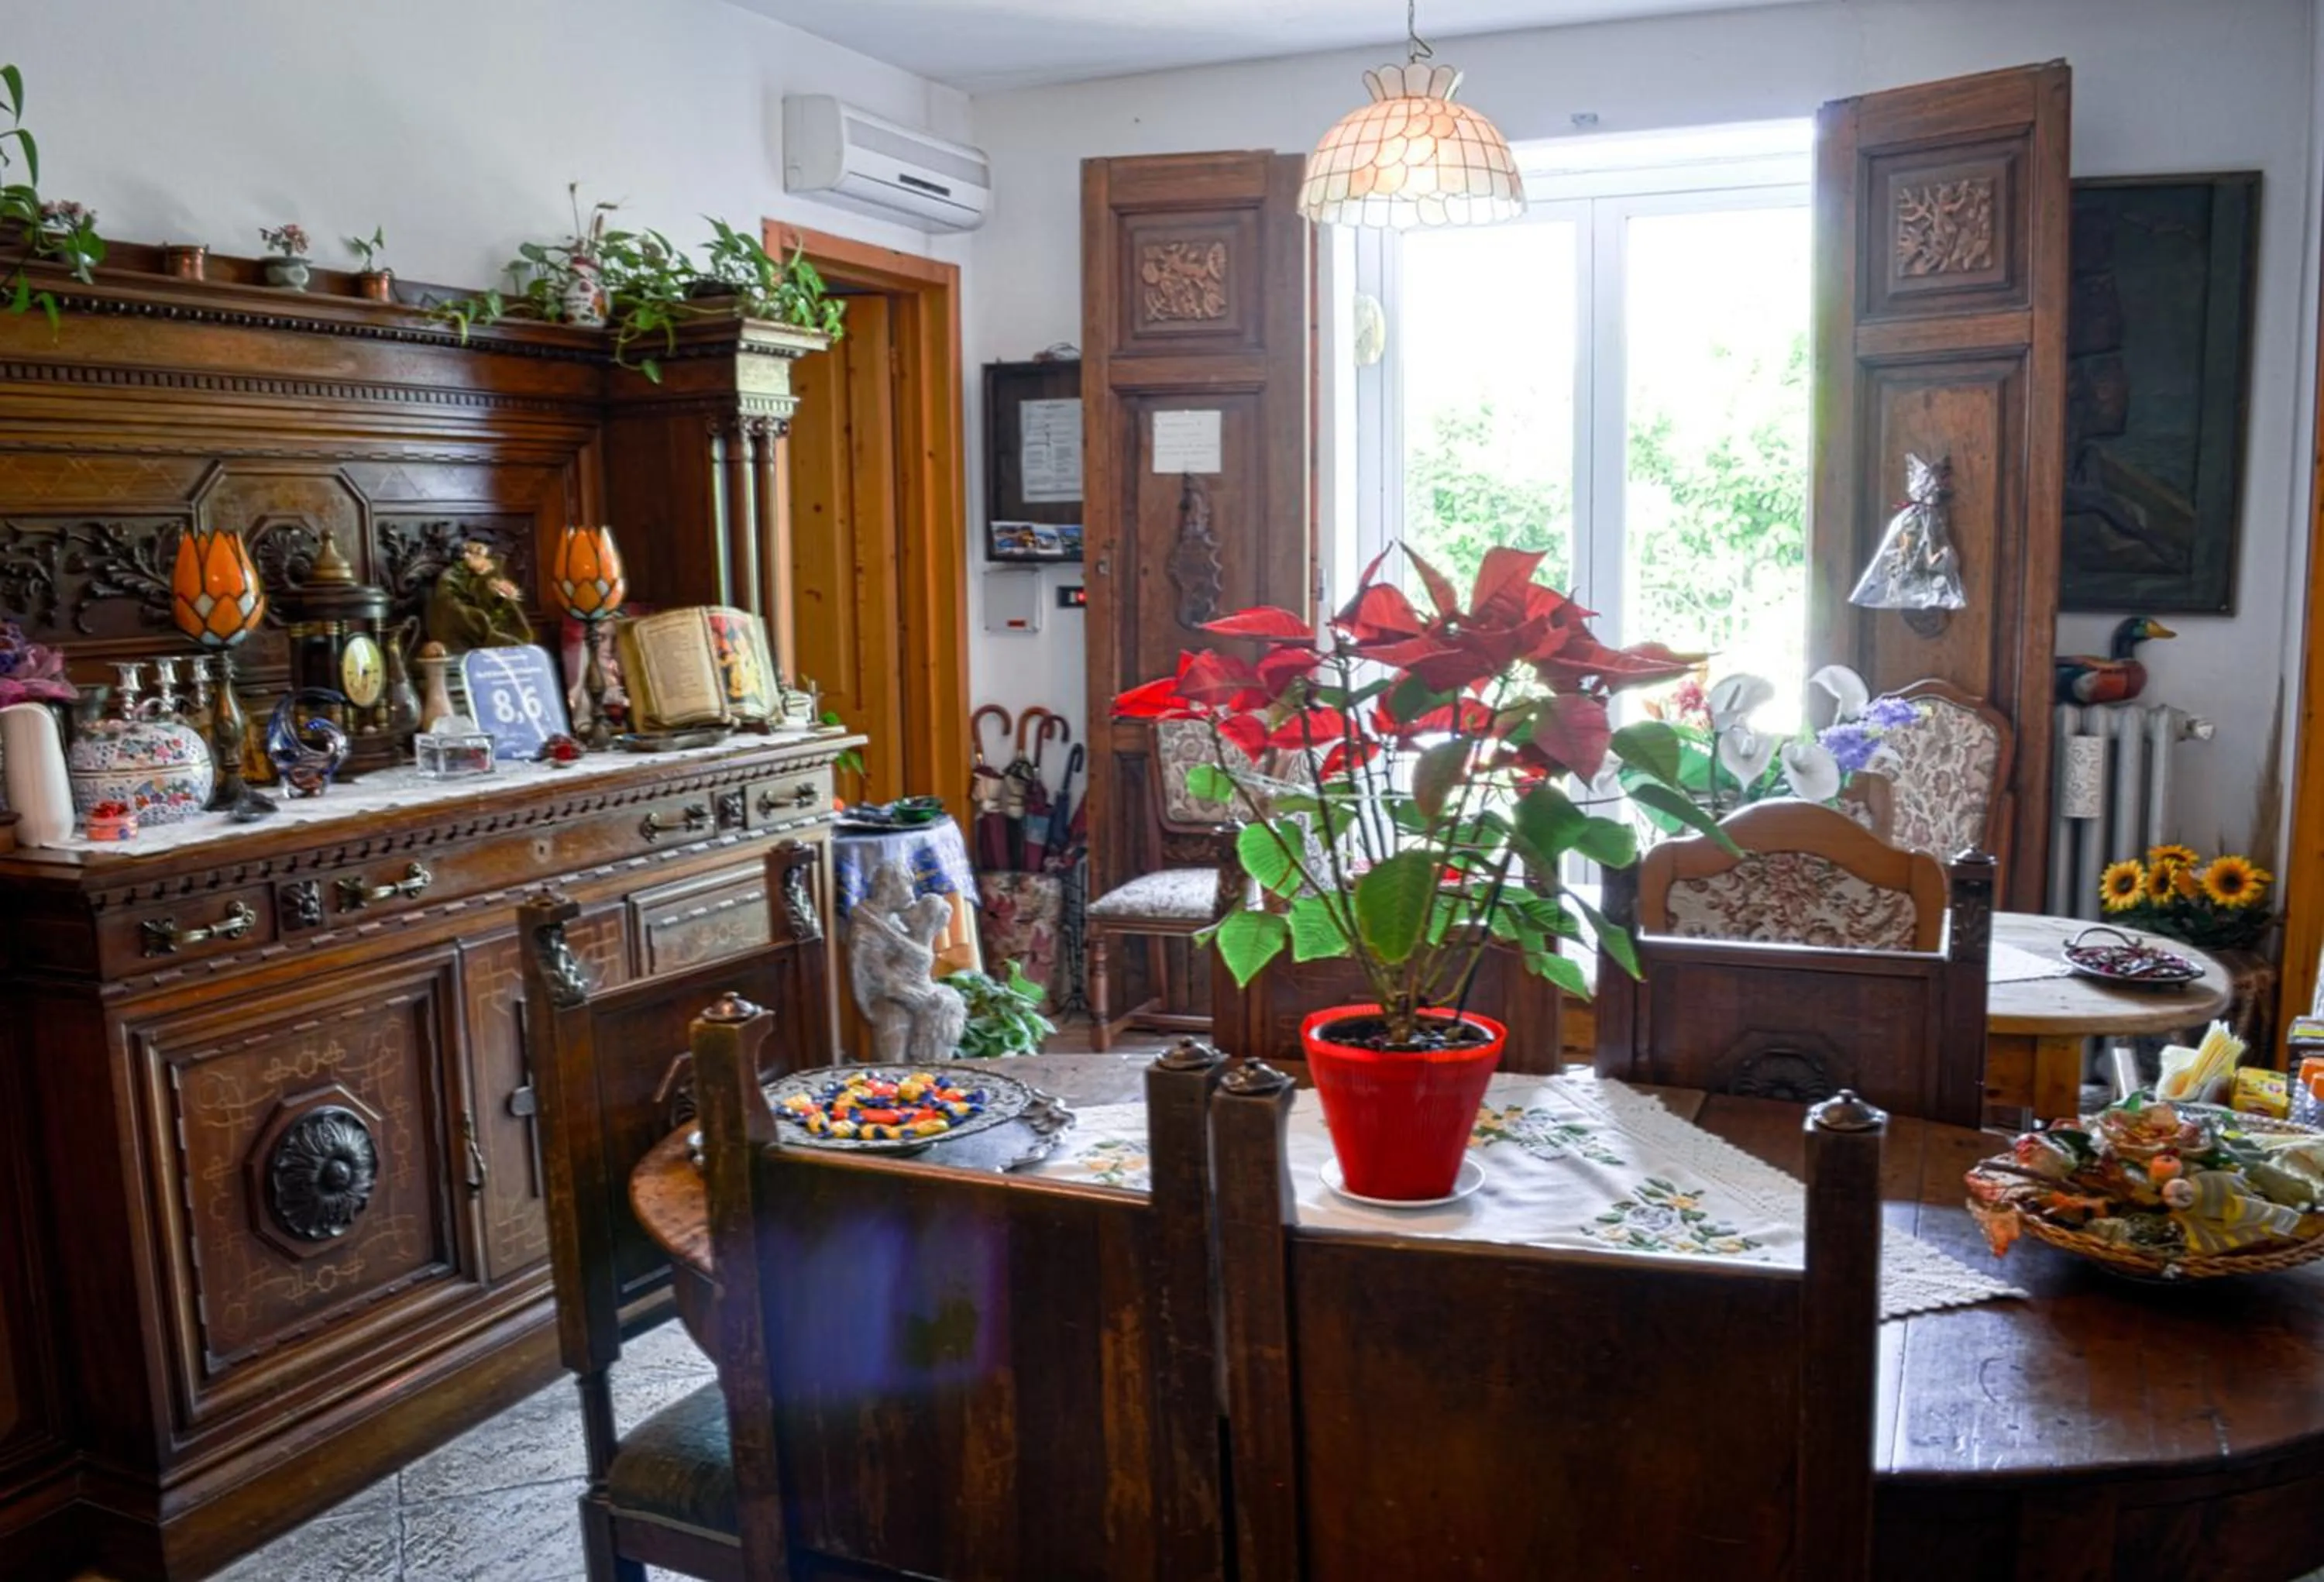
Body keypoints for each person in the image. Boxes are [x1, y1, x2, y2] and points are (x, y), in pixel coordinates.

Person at [426, 538, 533, 652]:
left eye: (480, 552)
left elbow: (503, 604)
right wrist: (479, 618)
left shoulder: (492, 573)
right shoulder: (451, 576)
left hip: (494, 632)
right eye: (472, 551)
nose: (476, 556)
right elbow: (448, 603)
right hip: (463, 633)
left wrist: (490, 583)